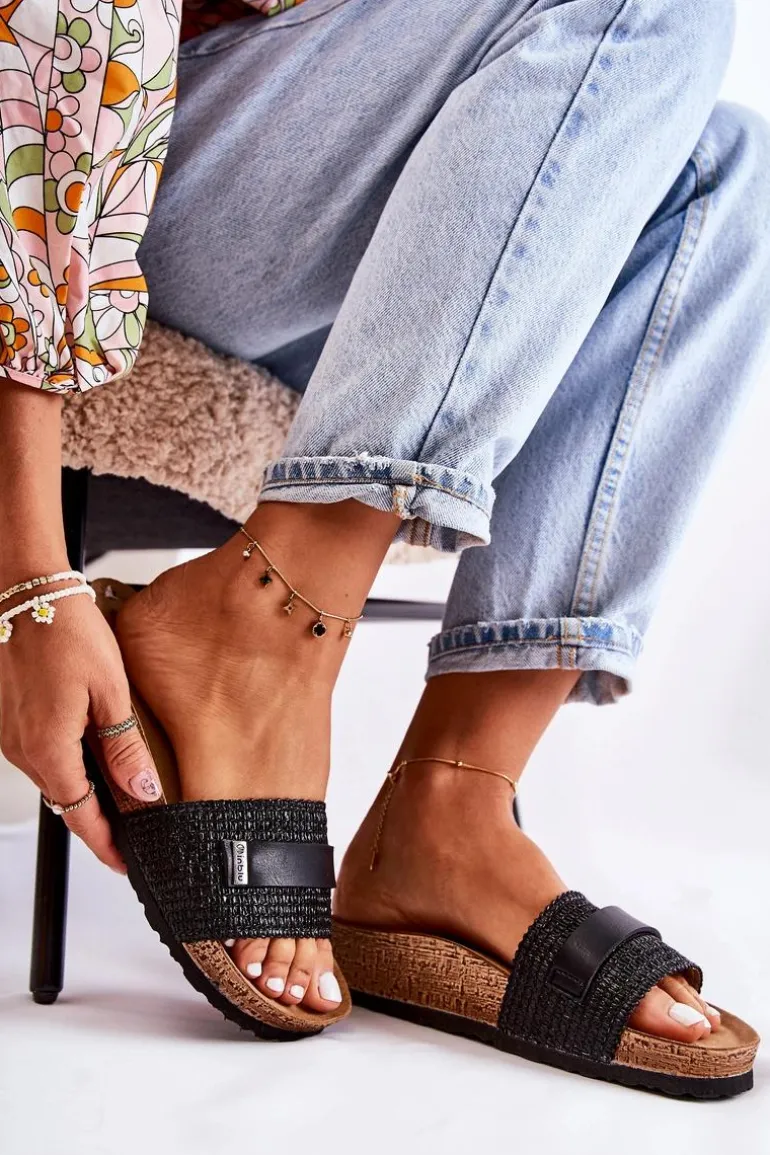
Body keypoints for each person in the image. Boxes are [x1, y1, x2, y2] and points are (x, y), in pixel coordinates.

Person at [1, 0, 768, 1091]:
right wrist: (25, 579)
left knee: (713, 167)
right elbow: (53, 40)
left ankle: (451, 801)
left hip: (297, 200)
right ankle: (265, 619)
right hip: (108, 158)